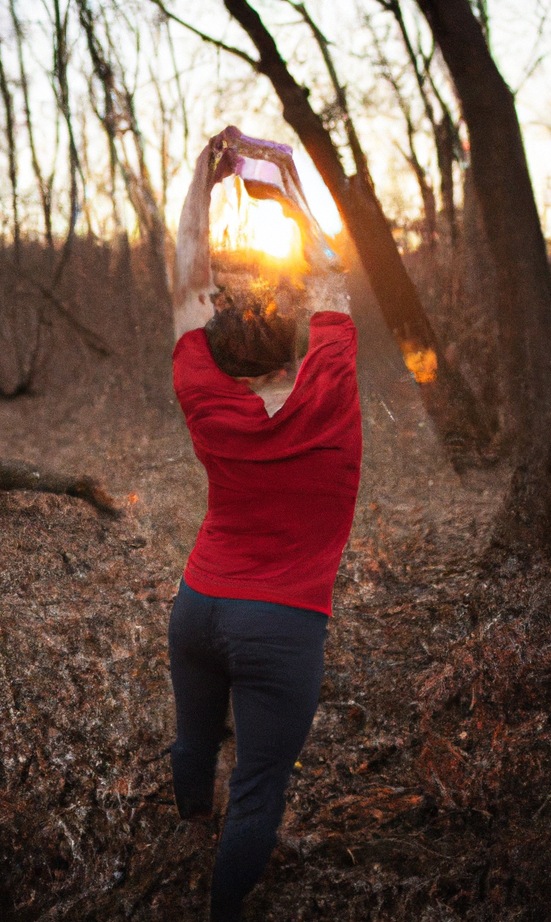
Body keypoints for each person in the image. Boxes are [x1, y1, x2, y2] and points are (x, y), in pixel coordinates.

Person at [168, 127, 362, 922]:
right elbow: (328, 271)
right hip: (283, 625)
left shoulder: (200, 390)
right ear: (295, 349)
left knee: (193, 738)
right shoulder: (333, 390)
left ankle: (188, 829)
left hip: (198, 606)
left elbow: (185, 275)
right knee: (259, 788)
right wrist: (283, 175)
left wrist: (202, 179)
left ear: (215, 350)